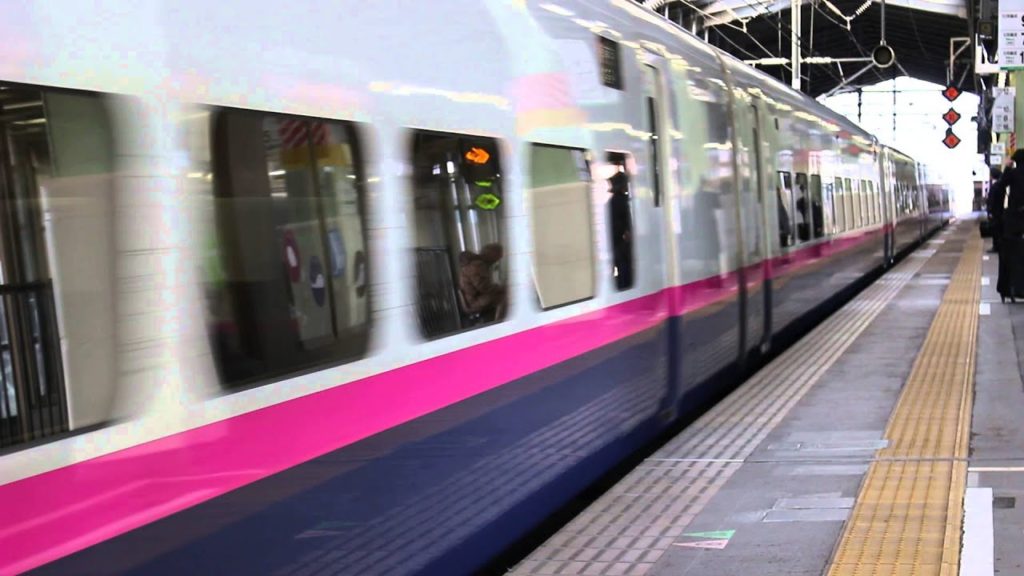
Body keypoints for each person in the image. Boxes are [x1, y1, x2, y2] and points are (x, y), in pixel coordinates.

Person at [993, 150, 1024, 301]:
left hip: (1015, 220)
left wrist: (1007, 168)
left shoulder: (1013, 174)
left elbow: (1000, 186)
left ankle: (1011, 287)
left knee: (1011, 253)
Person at [458, 243, 505, 321]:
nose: (496, 260)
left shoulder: (473, 264)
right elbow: (484, 287)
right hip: (475, 301)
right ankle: (499, 324)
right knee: (506, 296)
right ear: (491, 255)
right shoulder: (478, 265)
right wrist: (501, 288)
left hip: (471, 300)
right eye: (497, 257)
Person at [608, 172, 634, 289]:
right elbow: (628, 223)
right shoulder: (624, 201)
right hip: (623, 243)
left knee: (621, 269)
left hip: (615, 243)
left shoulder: (611, 202)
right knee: (626, 270)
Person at [987, 166, 1005, 253]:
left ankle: (996, 247)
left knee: (995, 231)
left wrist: (990, 211)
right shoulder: (1000, 185)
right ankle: (998, 246)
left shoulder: (995, 186)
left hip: (995, 212)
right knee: (998, 230)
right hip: (999, 211)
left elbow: (992, 200)